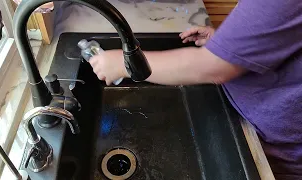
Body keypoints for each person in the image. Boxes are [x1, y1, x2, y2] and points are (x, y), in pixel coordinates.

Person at [89, 0, 302, 179]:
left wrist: (125, 64)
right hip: (256, 117)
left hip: (271, 148)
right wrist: (231, 44)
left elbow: (213, 67)